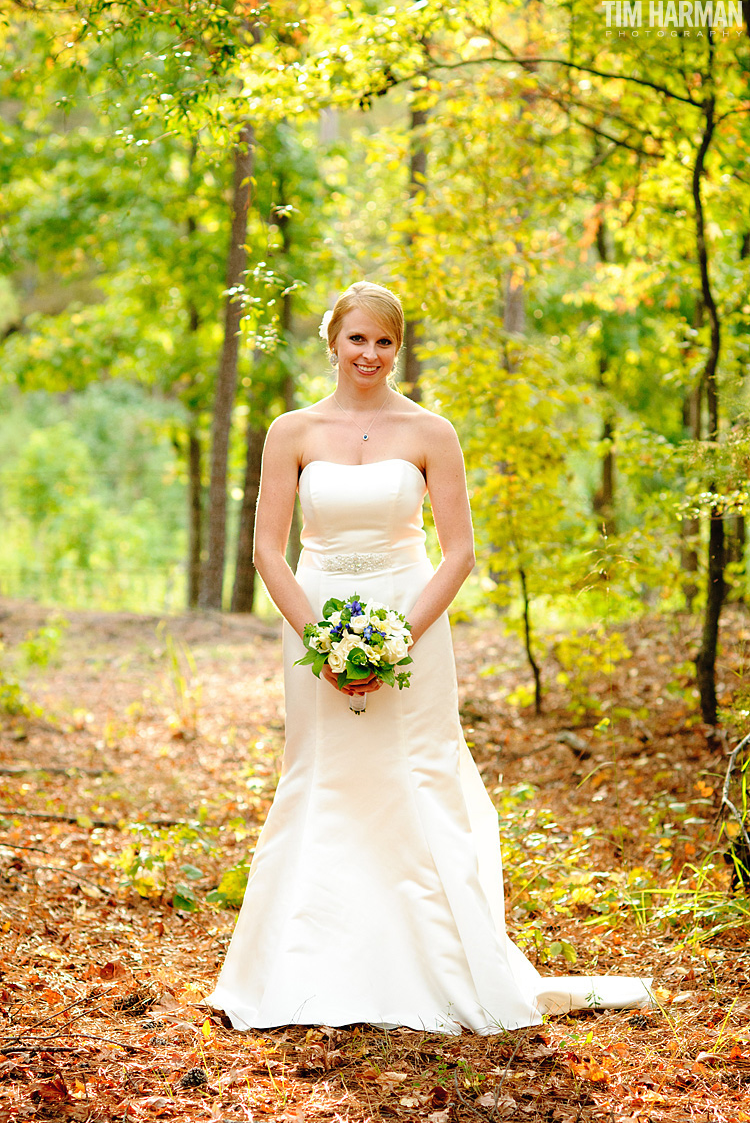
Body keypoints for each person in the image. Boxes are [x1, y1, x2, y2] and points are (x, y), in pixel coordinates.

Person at [208, 280, 652, 1034]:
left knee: (412, 771)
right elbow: (264, 550)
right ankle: (301, 966)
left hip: (411, 617)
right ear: (332, 341)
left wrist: (395, 638)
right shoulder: (292, 430)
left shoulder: (430, 432)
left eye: (384, 341)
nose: (370, 354)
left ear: (398, 346)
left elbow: (461, 551)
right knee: (324, 773)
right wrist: (321, 640)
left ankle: (440, 964)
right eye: (357, 339)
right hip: (312, 613)